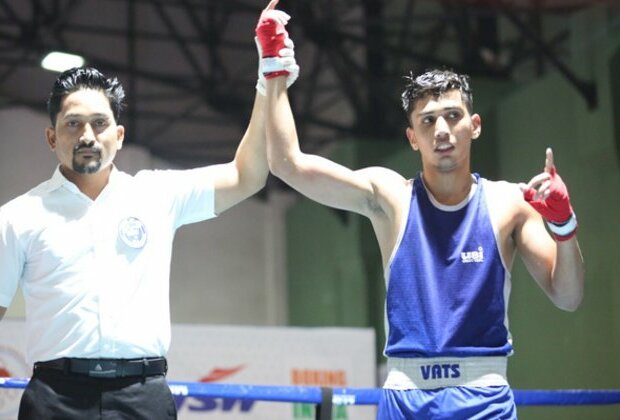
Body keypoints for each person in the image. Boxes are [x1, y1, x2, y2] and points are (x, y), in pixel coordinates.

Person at [257, 8, 584, 419]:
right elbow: (286, 164)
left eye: (452, 116)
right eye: (428, 121)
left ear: (475, 125)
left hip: (482, 399)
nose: (442, 130)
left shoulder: (508, 204)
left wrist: (564, 225)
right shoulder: (389, 196)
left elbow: (569, 296)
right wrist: (274, 67)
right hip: (405, 397)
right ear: (413, 138)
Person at [0, 3, 298, 418]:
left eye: (100, 124)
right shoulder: (17, 217)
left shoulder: (157, 194)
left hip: (143, 396)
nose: (87, 135)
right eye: (73, 124)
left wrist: (269, 78)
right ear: (51, 137)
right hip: (54, 398)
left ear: (119, 136)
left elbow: (247, 175)